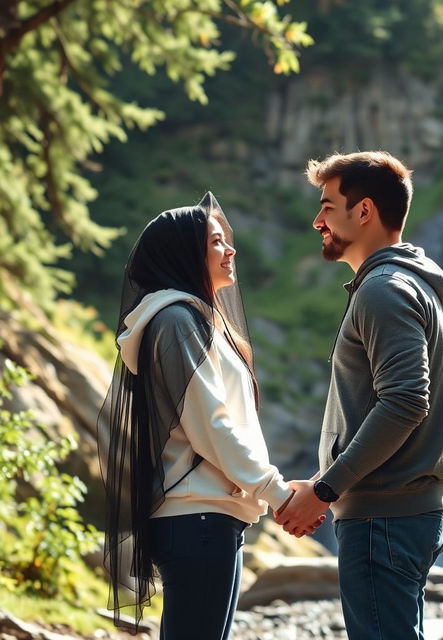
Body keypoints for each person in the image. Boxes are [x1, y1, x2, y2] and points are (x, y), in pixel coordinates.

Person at [99, 192, 316, 639]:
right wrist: (277, 492)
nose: (230, 249)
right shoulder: (177, 322)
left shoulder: (193, 321)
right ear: (185, 252)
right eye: (216, 242)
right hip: (196, 518)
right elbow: (211, 426)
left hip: (210, 517)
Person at [275, 152, 443, 640]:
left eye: (328, 207)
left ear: (364, 212)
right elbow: (382, 410)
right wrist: (322, 481)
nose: (317, 221)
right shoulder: (408, 285)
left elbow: (403, 403)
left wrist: (326, 489)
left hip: (384, 519)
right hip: (398, 512)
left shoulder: (384, 291)